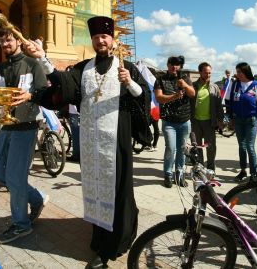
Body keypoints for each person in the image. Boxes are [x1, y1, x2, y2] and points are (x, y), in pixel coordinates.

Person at [26, 16, 149, 267]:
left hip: (117, 140)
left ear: (112, 40)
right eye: (95, 37)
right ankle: (100, 237)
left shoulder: (127, 67)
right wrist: (42, 58)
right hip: (92, 143)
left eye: (104, 36)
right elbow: (64, 86)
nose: (100, 40)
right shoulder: (84, 68)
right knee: (95, 189)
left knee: (117, 191)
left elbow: (143, 99)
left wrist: (130, 83)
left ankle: (114, 244)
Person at [0, 28, 49, 245]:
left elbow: (45, 91)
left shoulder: (32, 64)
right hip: (6, 126)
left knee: (16, 178)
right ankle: (37, 199)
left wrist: (31, 95)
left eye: (8, 40)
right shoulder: (1, 67)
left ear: (17, 41)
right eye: (1, 41)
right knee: (0, 173)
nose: (4, 44)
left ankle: (21, 225)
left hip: (26, 126)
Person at [154, 55, 195, 188]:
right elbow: (159, 98)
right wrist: (174, 96)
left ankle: (180, 173)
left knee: (182, 149)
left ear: (180, 66)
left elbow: (192, 93)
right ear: (167, 65)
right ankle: (168, 174)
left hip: (184, 121)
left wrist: (184, 85)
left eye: (177, 64)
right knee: (171, 148)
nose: (174, 66)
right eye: (172, 64)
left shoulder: (185, 78)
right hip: (169, 121)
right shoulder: (160, 79)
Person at [227, 62, 257, 181]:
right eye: (237, 71)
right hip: (238, 120)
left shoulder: (255, 85)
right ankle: (243, 171)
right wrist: (230, 118)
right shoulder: (235, 85)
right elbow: (231, 103)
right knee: (242, 147)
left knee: (250, 146)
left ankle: (254, 174)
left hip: (251, 121)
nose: (237, 74)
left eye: (239, 71)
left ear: (245, 72)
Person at [190, 62, 223, 171]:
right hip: (195, 122)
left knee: (211, 148)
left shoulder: (215, 87)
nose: (208, 75)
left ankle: (211, 170)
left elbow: (219, 105)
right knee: (197, 147)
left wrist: (220, 120)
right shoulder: (193, 86)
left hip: (210, 122)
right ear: (200, 72)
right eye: (205, 73)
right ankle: (200, 170)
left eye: (209, 73)